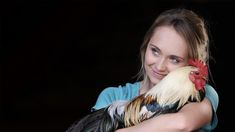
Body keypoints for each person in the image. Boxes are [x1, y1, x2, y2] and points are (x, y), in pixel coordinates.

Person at [92, 8, 218, 132]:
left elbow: (182, 123)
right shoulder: (113, 97)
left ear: (191, 65)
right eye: (155, 51)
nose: (159, 66)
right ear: (145, 47)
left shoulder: (204, 95)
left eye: (174, 59)